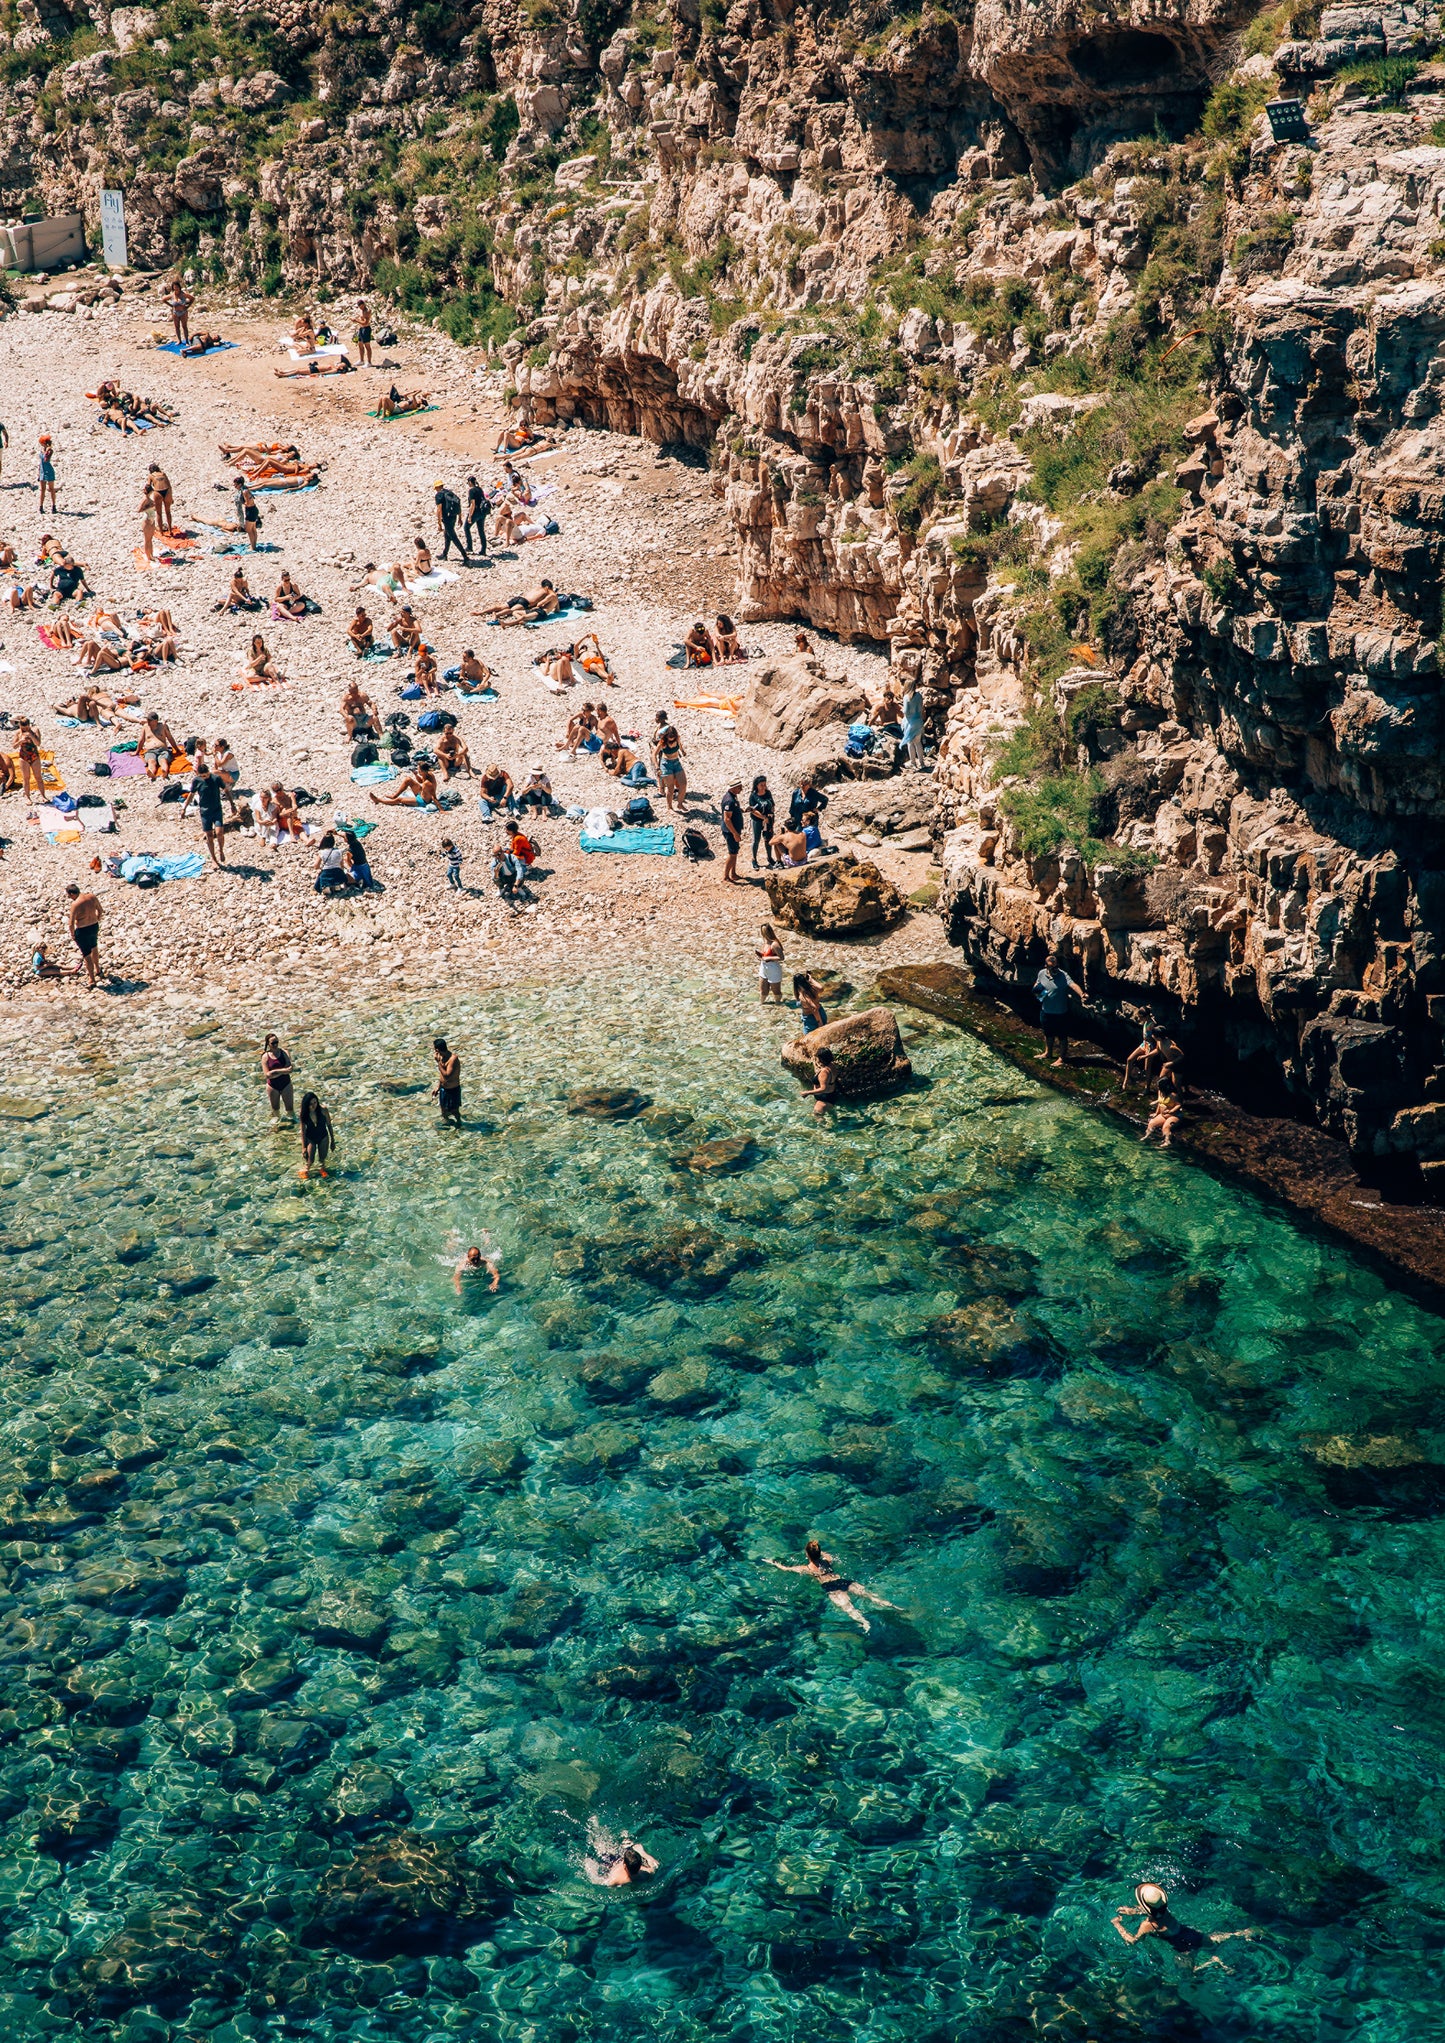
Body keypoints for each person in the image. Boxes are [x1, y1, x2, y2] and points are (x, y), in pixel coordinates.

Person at [760, 1538, 898, 1633]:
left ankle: (865, 1623)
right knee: (870, 1596)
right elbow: (828, 1555)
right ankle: (894, 1606)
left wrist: (773, 1562)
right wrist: (819, 1552)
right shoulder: (828, 1560)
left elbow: (785, 1568)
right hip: (842, 1580)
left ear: (807, 1554)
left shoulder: (806, 1569)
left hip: (831, 1588)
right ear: (820, 1553)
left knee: (849, 1609)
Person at [1112, 1885, 1257, 1970]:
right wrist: (1135, 1911)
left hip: (1183, 1948)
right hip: (1193, 1934)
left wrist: (1117, 1924)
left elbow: (1132, 1941)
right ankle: (1244, 1933)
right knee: (1216, 1939)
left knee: (1190, 1973)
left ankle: (1212, 1962)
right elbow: (1156, 1911)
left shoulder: (1147, 1925)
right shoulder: (1165, 1909)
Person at [1034, 949, 1085, 1066]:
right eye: (1052, 967)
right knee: (1048, 1033)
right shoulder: (1041, 973)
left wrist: (1081, 994)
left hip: (1060, 1013)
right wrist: (1037, 991)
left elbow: (1072, 985)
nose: (1055, 969)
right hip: (1046, 1011)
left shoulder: (1063, 975)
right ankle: (1048, 1053)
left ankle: (1062, 1058)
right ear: (1046, 966)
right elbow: (1037, 984)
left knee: (1062, 1036)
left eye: (1056, 966)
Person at [585, 1822, 659, 1887]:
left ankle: (595, 1826)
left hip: (610, 1863)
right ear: (640, 1865)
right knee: (626, 1845)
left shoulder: (616, 1879)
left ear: (624, 1865)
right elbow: (655, 1864)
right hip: (622, 1861)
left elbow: (598, 1881)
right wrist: (643, 1852)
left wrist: (589, 1866)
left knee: (600, 1847)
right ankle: (624, 1836)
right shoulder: (645, 1874)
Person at [65, 882, 102, 989]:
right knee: (94, 947)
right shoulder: (92, 896)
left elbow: (71, 923)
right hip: (94, 926)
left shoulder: (75, 904)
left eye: (69, 896)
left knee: (87, 954)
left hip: (83, 930)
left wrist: (72, 934)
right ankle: (98, 969)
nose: (69, 898)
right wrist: (97, 919)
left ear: (72, 894)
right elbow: (100, 910)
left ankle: (92, 979)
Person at [475, 580, 557, 626]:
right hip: (525, 602)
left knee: (500, 606)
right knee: (511, 610)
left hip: (519, 598)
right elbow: (540, 603)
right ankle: (496, 616)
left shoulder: (537, 588)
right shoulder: (547, 593)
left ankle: (480, 612)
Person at [194, 763, 227, 868]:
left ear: (209, 772)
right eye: (202, 776)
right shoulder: (196, 781)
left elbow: (225, 789)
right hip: (205, 812)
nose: (205, 777)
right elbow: (191, 793)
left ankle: (221, 850)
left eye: (206, 775)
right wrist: (184, 809)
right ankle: (213, 858)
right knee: (209, 835)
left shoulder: (216, 778)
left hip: (216, 809)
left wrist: (232, 804)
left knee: (219, 832)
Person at [298, 1092, 335, 1179]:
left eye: (315, 1103)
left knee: (322, 1159)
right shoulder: (304, 1114)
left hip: (323, 1136)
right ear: (306, 1104)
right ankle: (306, 1171)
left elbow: (329, 1125)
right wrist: (303, 1147)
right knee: (310, 1160)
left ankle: (322, 1170)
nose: (313, 1106)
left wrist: (333, 1141)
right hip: (311, 1138)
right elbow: (303, 1131)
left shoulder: (323, 1110)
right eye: (310, 1104)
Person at [653, 722, 687, 811]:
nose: (671, 741)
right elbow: (654, 755)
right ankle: (670, 806)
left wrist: (683, 751)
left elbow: (680, 745)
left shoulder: (677, 739)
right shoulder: (662, 743)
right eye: (670, 740)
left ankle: (680, 803)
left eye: (673, 739)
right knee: (670, 788)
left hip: (676, 762)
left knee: (683, 784)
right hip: (666, 764)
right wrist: (657, 767)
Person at [434, 478, 468, 562]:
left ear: (437, 487)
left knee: (453, 537)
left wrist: (439, 523)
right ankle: (444, 554)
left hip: (446, 518)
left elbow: (439, 509)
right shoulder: (449, 492)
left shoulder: (439, 495)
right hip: (453, 516)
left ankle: (465, 556)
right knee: (447, 535)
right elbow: (458, 503)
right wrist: (460, 518)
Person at [370, 766, 438, 808]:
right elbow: (420, 781)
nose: (418, 771)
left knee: (400, 800)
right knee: (408, 779)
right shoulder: (426, 774)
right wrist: (416, 775)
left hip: (423, 801)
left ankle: (379, 800)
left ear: (422, 771)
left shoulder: (428, 783)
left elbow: (434, 796)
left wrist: (441, 810)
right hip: (421, 793)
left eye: (419, 770)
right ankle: (394, 796)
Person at [262, 1035, 295, 1121]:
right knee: (275, 1110)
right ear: (268, 1044)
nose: (275, 1045)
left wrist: (275, 1072)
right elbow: (267, 1075)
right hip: (273, 1086)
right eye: (273, 1043)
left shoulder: (284, 1053)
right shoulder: (265, 1057)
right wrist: (283, 1071)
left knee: (290, 1110)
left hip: (286, 1084)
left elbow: (290, 1069)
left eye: (277, 1042)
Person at [801, 1044, 837, 1120]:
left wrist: (807, 1093)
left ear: (821, 1059)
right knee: (833, 1117)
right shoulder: (832, 1066)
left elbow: (823, 1088)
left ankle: (826, 1131)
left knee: (818, 1118)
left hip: (823, 1099)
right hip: (831, 1096)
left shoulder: (824, 1072)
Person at [1142, 1082, 1183, 1148]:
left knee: (1165, 1128)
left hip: (1173, 1116)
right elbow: (1160, 1103)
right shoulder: (1160, 1093)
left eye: (1159, 1086)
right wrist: (1156, 1113)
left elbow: (1179, 1105)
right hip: (1163, 1115)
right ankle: (1147, 1136)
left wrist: (1171, 1111)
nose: (1158, 1088)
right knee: (1151, 1123)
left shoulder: (1173, 1095)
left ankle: (1167, 1142)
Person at [747, 775, 776, 869]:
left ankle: (769, 857)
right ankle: (754, 859)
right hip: (757, 820)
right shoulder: (753, 796)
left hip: (768, 819)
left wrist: (771, 815)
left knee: (768, 838)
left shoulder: (768, 793)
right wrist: (763, 817)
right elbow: (753, 810)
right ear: (757, 785)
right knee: (756, 840)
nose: (763, 787)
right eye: (761, 785)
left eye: (764, 784)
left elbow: (772, 804)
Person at [432, 1038, 462, 1126]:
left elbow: (447, 1075)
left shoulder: (453, 1059)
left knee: (454, 1110)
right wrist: (438, 1087)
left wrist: (438, 1063)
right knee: (443, 1110)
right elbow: (442, 1076)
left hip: (453, 1090)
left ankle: (459, 1122)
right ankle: (448, 1123)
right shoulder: (442, 1057)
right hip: (444, 1089)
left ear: (437, 1050)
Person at [721, 779, 744, 883]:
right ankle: (726, 875)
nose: (741, 789)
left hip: (735, 830)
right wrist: (734, 833)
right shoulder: (729, 800)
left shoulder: (733, 797)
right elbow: (727, 819)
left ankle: (733, 873)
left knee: (735, 852)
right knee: (732, 854)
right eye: (739, 787)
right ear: (733, 788)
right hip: (730, 831)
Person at [900, 681, 926, 770]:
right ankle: (922, 763)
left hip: (910, 722)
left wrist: (902, 710)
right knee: (918, 742)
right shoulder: (919, 696)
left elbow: (906, 711)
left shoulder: (906, 697)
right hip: (919, 721)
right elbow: (921, 708)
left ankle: (913, 763)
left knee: (910, 743)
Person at [343, 825, 377, 892]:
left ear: (347, 839)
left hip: (358, 868)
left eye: (344, 837)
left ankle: (357, 881)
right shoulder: (357, 842)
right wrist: (337, 834)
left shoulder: (349, 851)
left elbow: (348, 861)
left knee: (344, 876)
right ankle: (361, 879)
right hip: (365, 866)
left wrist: (350, 868)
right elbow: (347, 836)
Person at [756, 924, 784, 1004]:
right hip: (763, 968)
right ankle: (761, 1004)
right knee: (763, 991)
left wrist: (768, 958)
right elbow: (765, 955)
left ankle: (778, 1004)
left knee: (776, 991)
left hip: (773, 969)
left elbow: (781, 958)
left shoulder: (774, 944)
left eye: (764, 932)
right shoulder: (765, 942)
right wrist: (761, 956)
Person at [463, 474, 488, 558]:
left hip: (475, 512)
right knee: (481, 530)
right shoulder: (480, 489)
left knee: (466, 528)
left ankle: (469, 547)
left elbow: (472, 504)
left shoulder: (471, 491)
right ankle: (483, 549)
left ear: (470, 482)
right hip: (482, 512)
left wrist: (470, 516)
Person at [148, 463, 174, 535]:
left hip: (158, 492)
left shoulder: (151, 476)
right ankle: (170, 530)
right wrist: (171, 497)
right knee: (168, 512)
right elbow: (169, 485)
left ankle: (162, 532)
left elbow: (148, 486)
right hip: (167, 491)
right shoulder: (163, 474)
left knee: (159, 513)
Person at [168, 277, 193, 344]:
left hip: (183, 312)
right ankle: (179, 340)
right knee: (177, 327)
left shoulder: (183, 294)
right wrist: (171, 306)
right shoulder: (172, 295)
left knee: (184, 326)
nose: (176, 288)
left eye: (177, 287)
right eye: (174, 287)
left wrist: (187, 306)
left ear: (179, 287)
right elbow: (163, 299)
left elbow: (192, 298)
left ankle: (187, 341)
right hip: (175, 312)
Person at [138, 481, 158, 563]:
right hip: (147, 519)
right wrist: (149, 506)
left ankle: (151, 555)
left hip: (151, 518)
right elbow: (139, 510)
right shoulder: (145, 500)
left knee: (150, 538)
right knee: (147, 539)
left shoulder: (150, 499)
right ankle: (148, 556)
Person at [37, 434, 57, 515]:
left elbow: (46, 459)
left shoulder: (49, 450)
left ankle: (54, 506)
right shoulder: (44, 450)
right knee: (43, 490)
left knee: (51, 489)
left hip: (48, 470)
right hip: (42, 470)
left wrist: (46, 452)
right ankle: (41, 507)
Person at [353, 297, 373, 368]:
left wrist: (356, 320)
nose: (360, 308)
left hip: (366, 329)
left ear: (364, 304)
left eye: (361, 306)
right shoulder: (361, 311)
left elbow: (365, 322)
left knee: (367, 345)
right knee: (360, 344)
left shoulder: (367, 311)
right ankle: (361, 360)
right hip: (361, 328)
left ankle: (369, 362)